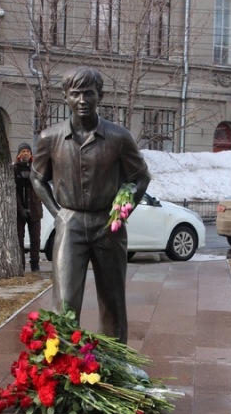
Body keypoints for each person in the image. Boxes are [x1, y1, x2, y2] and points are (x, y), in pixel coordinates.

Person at [30, 66, 151, 346]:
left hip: (108, 226)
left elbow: (141, 178)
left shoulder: (119, 138)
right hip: (70, 224)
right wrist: (58, 214)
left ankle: (114, 358)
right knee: (65, 301)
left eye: (89, 93)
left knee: (112, 300)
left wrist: (122, 212)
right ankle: (64, 361)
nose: (82, 100)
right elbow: (37, 178)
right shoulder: (50, 138)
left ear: (100, 96)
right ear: (65, 97)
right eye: (75, 94)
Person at [13, 142, 43, 272]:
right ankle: (21, 264)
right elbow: (13, 191)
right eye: (23, 151)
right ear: (19, 154)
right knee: (19, 239)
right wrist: (20, 209)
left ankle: (35, 264)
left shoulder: (36, 167)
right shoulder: (15, 168)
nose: (25, 153)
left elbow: (42, 184)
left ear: (31, 154)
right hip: (20, 209)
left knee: (35, 239)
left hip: (35, 208)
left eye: (27, 151)